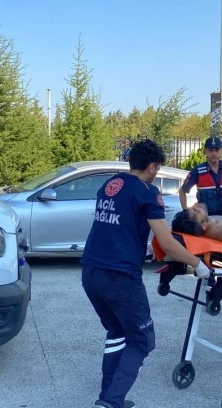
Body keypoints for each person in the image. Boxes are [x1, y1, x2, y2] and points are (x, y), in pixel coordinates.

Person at [81, 139, 213, 408]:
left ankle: (109, 397)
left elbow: (119, 225)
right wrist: (198, 265)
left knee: (117, 332)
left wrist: (143, 247)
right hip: (120, 278)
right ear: (152, 166)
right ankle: (110, 402)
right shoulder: (148, 192)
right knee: (142, 340)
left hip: (91, 272)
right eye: (158, 168)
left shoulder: (111, 184)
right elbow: (167, 243)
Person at [178, 135, 222, 319]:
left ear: (221, 151)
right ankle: (211, 293)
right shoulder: (198, 171)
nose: (214, 153)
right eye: (210, 150)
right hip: (208, 222)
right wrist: (187, 212)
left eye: (217, 150)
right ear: (205, 152)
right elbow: (183, 191)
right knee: (210, 258)